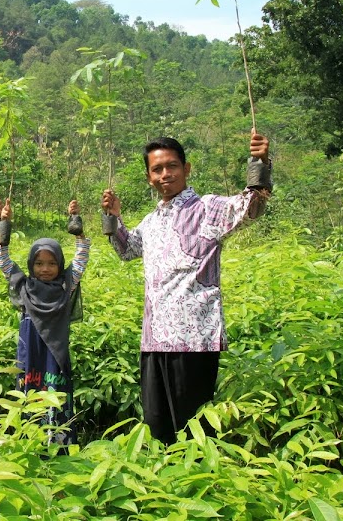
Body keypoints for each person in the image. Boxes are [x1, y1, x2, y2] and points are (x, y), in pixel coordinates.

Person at [101, 132, 272, 444]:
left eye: (172, 166)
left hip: (193, 340)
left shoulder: (207, 209)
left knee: (193, 430)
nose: (165, 174)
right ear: (149, 177)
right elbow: (128, 250)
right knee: (158, 427)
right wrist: (113, 219)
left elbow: (251, 208)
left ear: (186, 168)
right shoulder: (152, 221)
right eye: (157, 169)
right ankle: (164, 487)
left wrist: (259, 164)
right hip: (155, 341)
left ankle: (201, 486)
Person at [0, 198, 90, 446]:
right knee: (28, 393)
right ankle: (29, 442)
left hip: (54, 356)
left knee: (54, 394)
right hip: (29, 355)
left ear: (60, 264)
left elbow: (81, 256)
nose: (45, 269)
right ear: (30, 265)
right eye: (39, 263)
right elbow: (3, 259)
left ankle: (58, 445)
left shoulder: (66, 286)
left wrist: (76, 224)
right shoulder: (24, 286)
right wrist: (4, 223)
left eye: (51, 263)